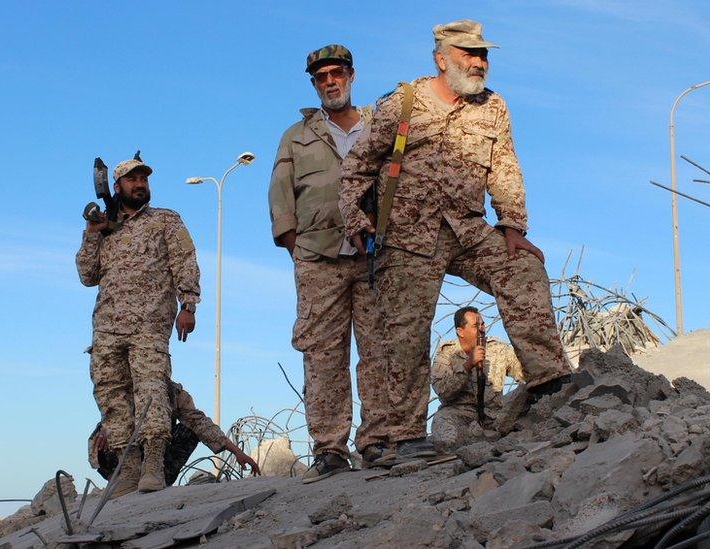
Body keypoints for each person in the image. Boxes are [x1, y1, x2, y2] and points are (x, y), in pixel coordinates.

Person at [338, 19, 573, 462]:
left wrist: (512, 226)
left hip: (466, 228)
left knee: (523, 269)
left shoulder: (495, 107)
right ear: (441, 59)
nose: (479, 61)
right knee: (406, 332)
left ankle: (548, 382)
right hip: (409, 234)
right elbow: (357, 167)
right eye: (468, 53)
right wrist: (356, 220)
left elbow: (504, 167)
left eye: (483, 54)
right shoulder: (403, 104)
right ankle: (406, 437)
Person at [267, 44, 390, 482]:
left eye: (337, 74)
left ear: (352, 76)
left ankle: (378, 441)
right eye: (321, 77)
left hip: (375, 255)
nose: (330, 82)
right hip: (318, 259)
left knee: (377, 349)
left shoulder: (380, 128)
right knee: (323, 355)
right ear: (314, 84)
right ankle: (330, 448)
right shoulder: (295, 136)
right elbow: (281, 195)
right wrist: (297, 246)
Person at [76, 155, 201, 497]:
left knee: (151, 388)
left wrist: (188, 305)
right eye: (132, 180)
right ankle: (127, 468)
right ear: (117, 187)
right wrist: (92, 235)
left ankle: (152, 465)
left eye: (143, 179)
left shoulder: (165, 221)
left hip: (150, 322)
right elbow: (87, 276)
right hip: (107, 326)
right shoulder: (106, 230)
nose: (140, 184)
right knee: (109, 392)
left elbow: (185, 262)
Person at [89, 380, 260, 487]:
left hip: (156, 458)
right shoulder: (124, 390)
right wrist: (106, 429)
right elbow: (111, 416)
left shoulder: (172, 393)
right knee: (105, 435)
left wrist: (237, 452)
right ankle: (124, 481)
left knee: (189, 429)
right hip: (123, 455)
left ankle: (157, 477)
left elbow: (200, 423)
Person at [430, 306, 523, 451]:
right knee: (442, 427)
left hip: (495, 415)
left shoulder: (498, 348)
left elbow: (524, 371)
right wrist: (468, 365)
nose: (481, 329)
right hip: (461, 414)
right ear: (460, 331)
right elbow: (443, 391)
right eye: (475, 326)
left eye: (483, 324)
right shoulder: (446, 354)